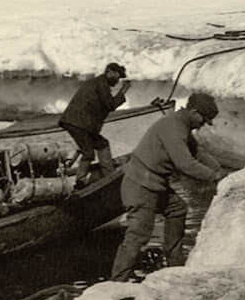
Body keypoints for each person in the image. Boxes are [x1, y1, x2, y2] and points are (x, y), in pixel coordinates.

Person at [110, 92, 225, 280]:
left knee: (177, 210)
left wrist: (220, 171)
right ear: (194, 112)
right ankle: (116, 283)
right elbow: (185, 163)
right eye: (203, 119)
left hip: (155, 184)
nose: (203, 124)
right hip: (141, 186)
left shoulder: (182, 125)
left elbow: (197, 152)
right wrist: (213, 176)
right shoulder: (174, 127)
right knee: (138, 234)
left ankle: (174, 267)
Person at [59, 62, 130, 183]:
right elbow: (110, 105)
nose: (118, 80)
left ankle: (109, 175)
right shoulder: (102, 84)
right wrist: (123, 92)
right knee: (88, 152)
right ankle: (81, 181)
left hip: (78, 123)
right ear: (110, 72)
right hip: (79, 123)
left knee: (102, 144)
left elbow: (97, 108)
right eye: (118, 76)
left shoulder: (98, 82)